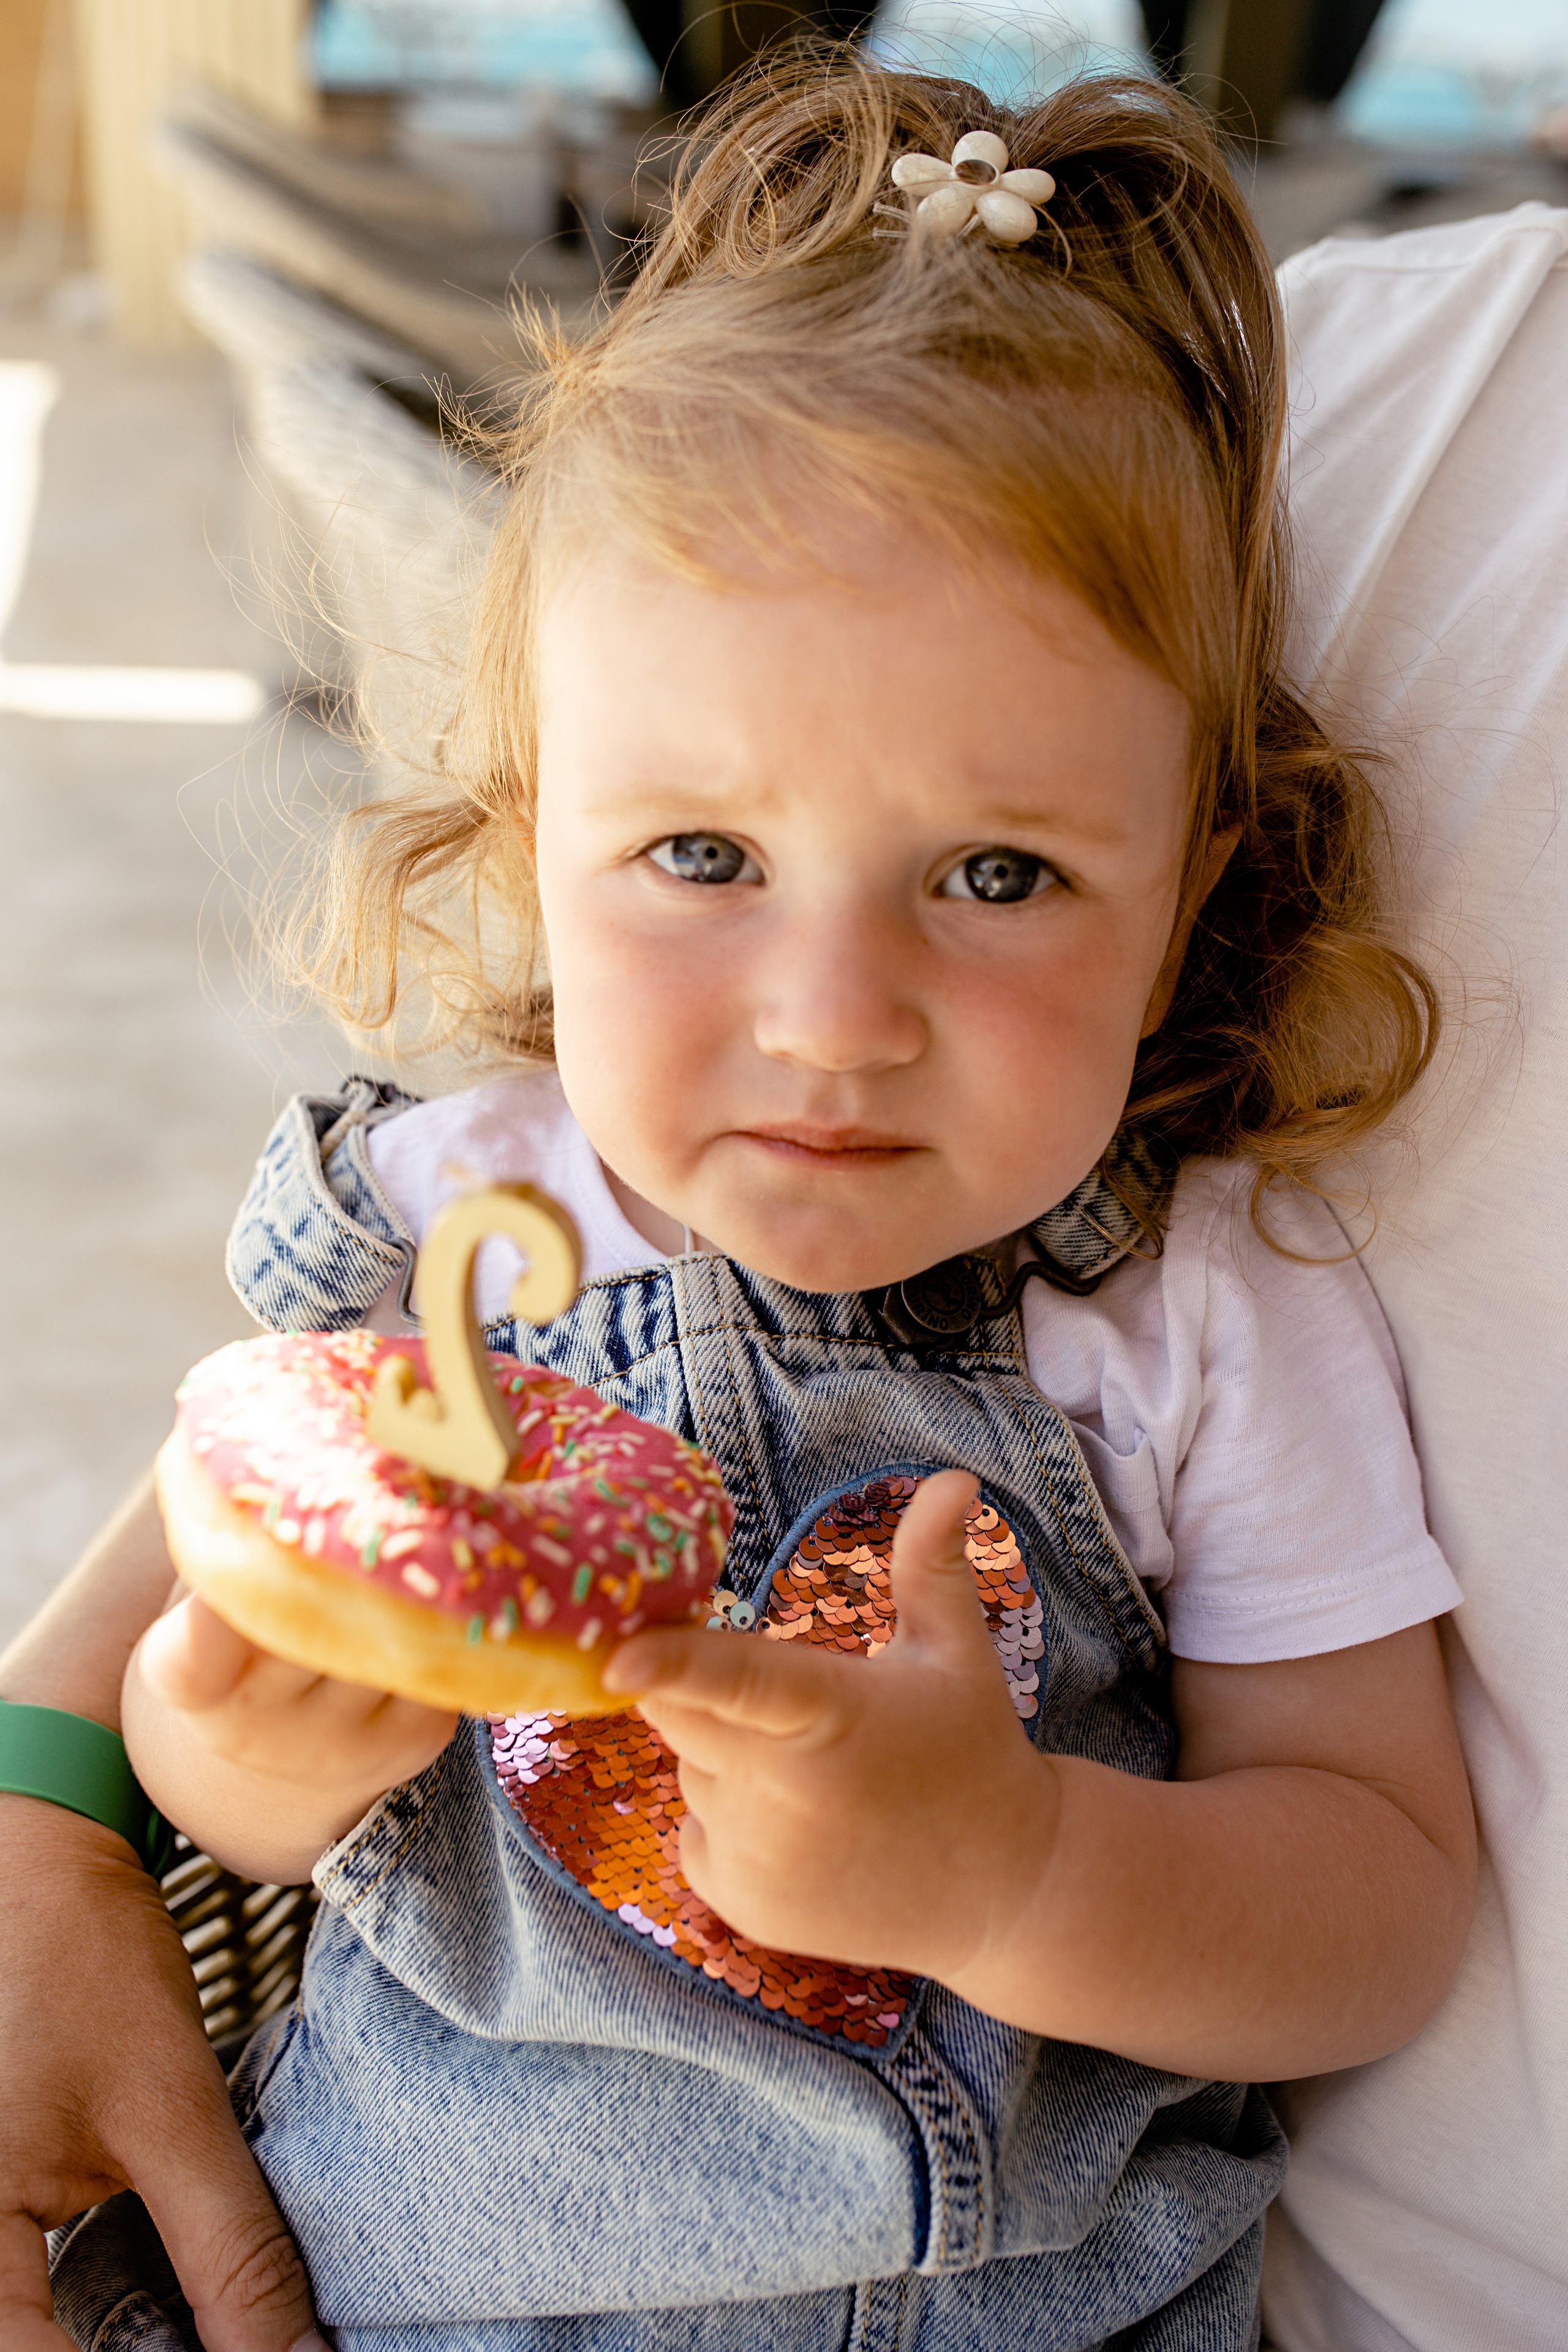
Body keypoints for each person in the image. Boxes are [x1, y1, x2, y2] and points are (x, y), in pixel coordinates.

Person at [4, 61, 1483, 2352]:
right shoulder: (449, 1210)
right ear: (530, 836)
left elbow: (1375, 1895)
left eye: (998, 877)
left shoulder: (1195, 1312)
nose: (834, 1015)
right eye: (702, 858)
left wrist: (1023, 1867)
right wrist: (235, 1752)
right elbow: (216, 1739)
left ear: (1189, 891)